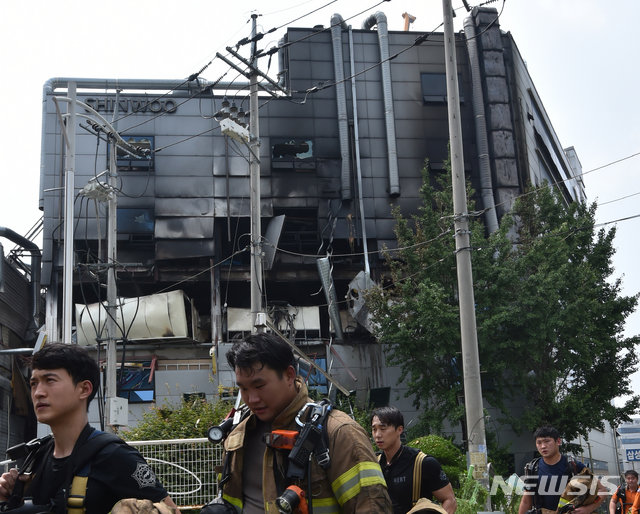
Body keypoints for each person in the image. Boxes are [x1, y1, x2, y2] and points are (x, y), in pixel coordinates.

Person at [212, 332, 392, 513]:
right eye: (243, 388)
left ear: (289, 375)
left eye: (259, 386)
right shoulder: (238, 431)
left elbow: (371, 508)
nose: (251, 398)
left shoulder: (339, 433)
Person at [0, 342, 180, 514]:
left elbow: (170, 511)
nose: (38, 392)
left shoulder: (115, 456)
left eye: (50, 380)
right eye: (34, 383)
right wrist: (10, 496)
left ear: (84, 389)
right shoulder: (38, 456)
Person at [370, 406, 456, 514]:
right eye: (374, 429)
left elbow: (450, 500)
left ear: (399, 430)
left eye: (383, 429)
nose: (377, 435)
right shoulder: (373, 464)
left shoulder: (423, 463)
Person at [518, 425, 603, 514]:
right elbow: (526, 501)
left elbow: (602, 490)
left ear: (558, 441)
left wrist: (589, 509)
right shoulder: (533, 468)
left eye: (547, 441)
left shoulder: (573, 465)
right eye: (539, 442)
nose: (543, 446)